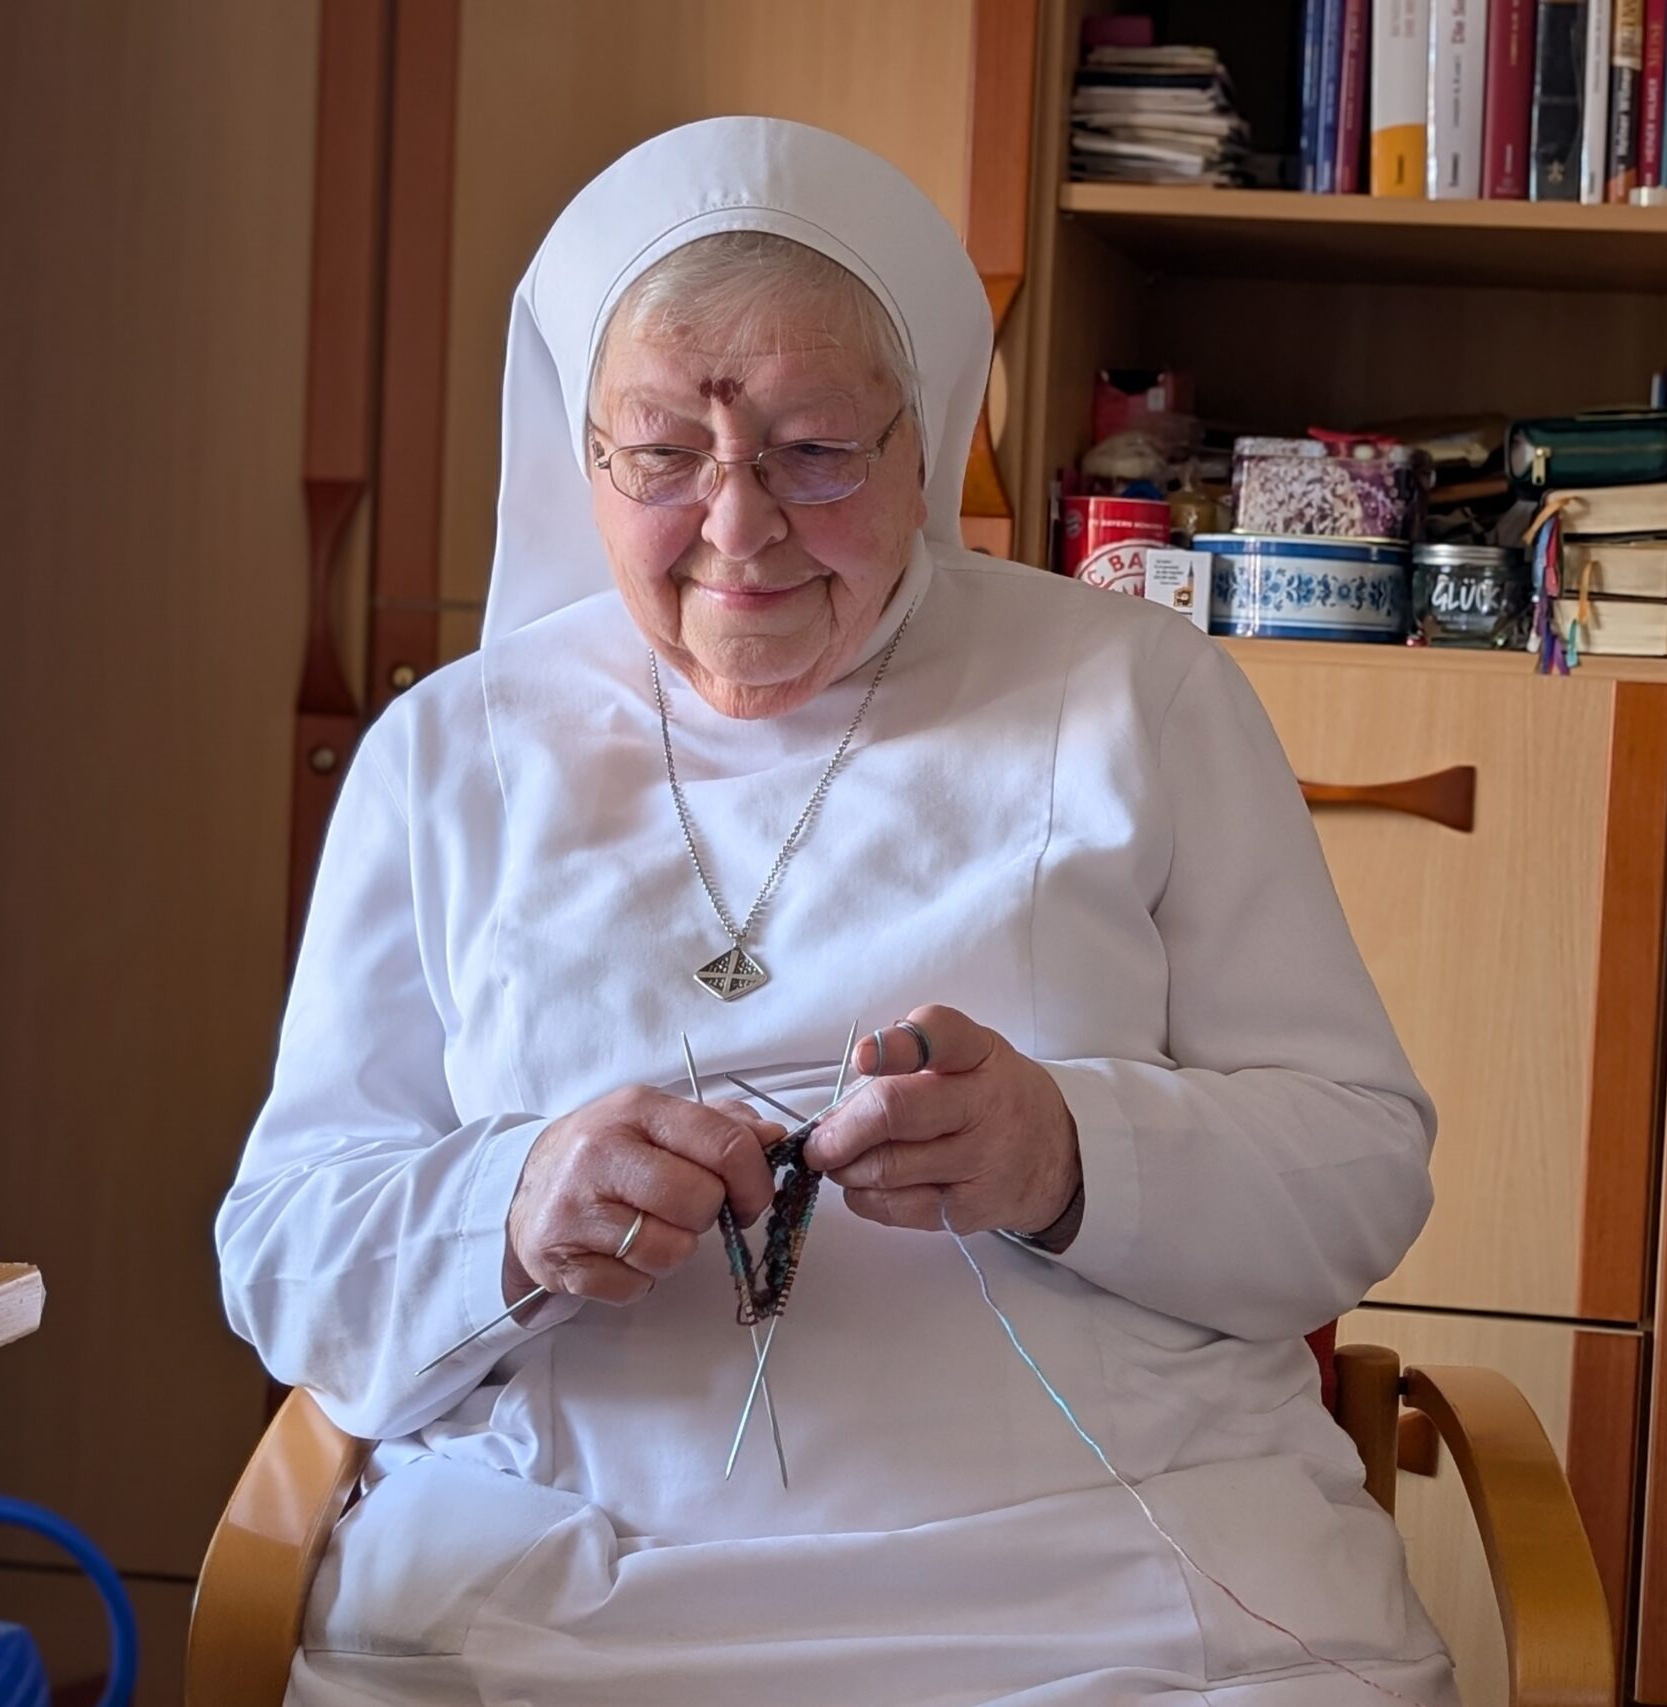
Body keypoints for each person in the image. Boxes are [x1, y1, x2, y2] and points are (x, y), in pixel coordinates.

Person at [217, 117, 1455, 1705]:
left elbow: (1357, 1168)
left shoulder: (1136, 695)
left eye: (815, 452)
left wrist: (1067, 1151)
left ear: (923, 440)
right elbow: (286, 1254)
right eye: (662, 455)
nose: (739, 529)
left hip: (1125, 1583)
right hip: (557, 1588)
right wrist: (514, 1210)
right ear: (581, 456)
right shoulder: (449, 751)